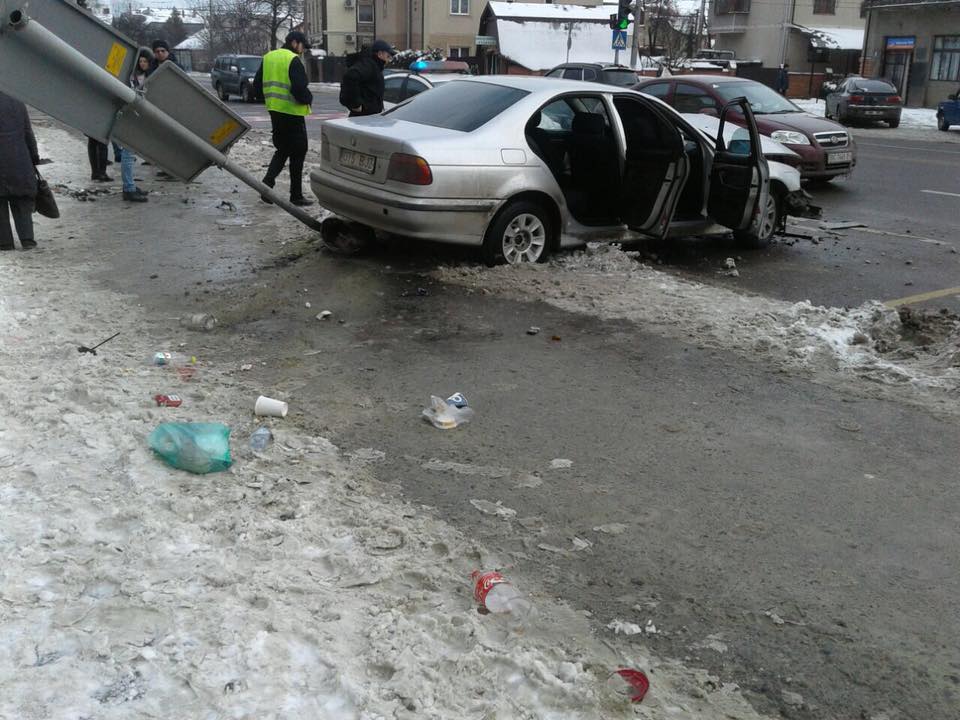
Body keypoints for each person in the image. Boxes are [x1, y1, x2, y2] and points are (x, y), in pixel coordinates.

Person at [253, 30, 314, 206]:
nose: (302, 50)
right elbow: (299, 88)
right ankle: (296, 196)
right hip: (293, 113)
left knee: (283, 149)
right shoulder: (292, 59)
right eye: (302, 46)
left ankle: (266, 186)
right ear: (295, 43)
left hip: (275, 112)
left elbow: (257, 86)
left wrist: (270, 101)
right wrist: (308, 99)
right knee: (298, 152)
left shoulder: (268, 57)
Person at [0, 91, 40, 250]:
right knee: (22, 201)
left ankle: (5, 243)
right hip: (19, 159)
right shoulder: (17, 100)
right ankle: (27, 239)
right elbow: (28, 133)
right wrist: (34, 157)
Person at [339, 40, 396, 117]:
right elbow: (350, 76)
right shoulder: (369, 65)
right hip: (363, 118)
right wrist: (356, 104)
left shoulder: (375, 66)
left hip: (368, 117)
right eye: (388, 56)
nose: (388, 60)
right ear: (380, 54)